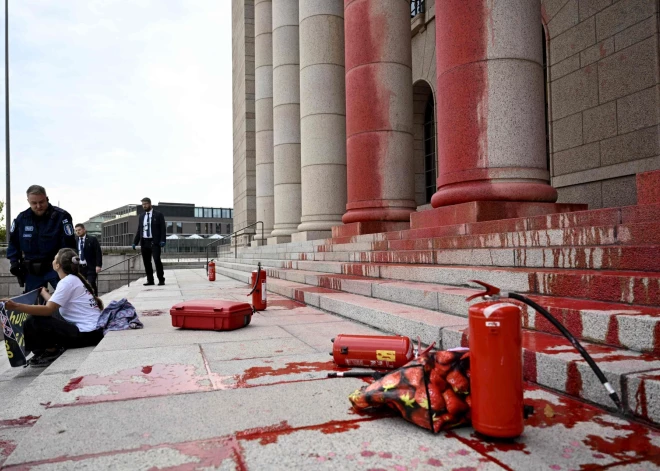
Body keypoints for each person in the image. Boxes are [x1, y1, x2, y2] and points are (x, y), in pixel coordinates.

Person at [1, 248, 105, 367]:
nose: (53, 260)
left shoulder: (66, 282)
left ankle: (51, 351)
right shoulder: (73, 279)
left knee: (34, 320)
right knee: (51, 314)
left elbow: (48, 310)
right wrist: (44, 293)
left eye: (55, 258)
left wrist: (15, 306)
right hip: (93, 332)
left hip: (87, 335)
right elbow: (54, 305)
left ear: (57, 265)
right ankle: (48, 348)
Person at [7, 185, 77, 292]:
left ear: (47, 198)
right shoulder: (22, 219)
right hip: (32, 271)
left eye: (41, 202)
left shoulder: (61, 217)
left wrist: (67, 266)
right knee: (32, 304)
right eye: (34, 203)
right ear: (28, 201)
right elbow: (13, 243)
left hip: (56, 267)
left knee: (67, 299)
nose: (38, 206)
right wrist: (14, 262)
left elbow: (69, 245)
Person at [132, 197, 166, 286]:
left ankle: (161, 279)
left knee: (157, 260)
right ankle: (150, 280)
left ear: (150, 204)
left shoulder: (158, 215)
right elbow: (139, 230)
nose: (144, 206)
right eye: (143, 204)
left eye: (146, 204)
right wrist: (135, 242)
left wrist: (162, 240)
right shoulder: (141, 216)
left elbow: (163, 228)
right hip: (144, 242)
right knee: (147, 263)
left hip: (154, 242)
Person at [75, 223, 103, 296]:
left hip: (91, 267)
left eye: (79, 230)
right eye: (76, 230)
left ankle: (96, 301)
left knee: (90, 284)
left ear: (84, 230)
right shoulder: (75, 240)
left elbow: (98, 252)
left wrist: (98, 265)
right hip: (79, 268)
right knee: (82, 286)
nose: (78, 232)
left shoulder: (92, 239)